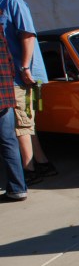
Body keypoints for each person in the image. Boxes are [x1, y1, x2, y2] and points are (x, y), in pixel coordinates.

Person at [0, 0, 54, 185]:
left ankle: (29, 170)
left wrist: (24, 67)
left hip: (19, 75)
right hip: (10, 75)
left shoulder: (11, 2)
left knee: (20, 123)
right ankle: (42, 163)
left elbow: (28, 35)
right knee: (26, 122)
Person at [0, 25, 25, 201]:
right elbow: (9, 61)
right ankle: (17, 188)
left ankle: (17, 188)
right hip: (3, 93)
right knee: (9, 142)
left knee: (8, 142)